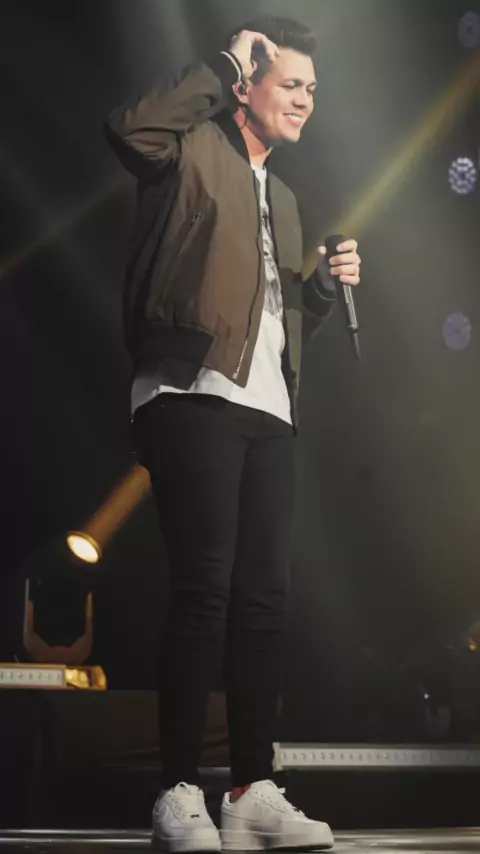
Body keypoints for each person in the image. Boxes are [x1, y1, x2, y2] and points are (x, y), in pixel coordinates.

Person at [106, 16, 361, 853]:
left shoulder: (284, 198)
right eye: (290, 83)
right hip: (191, 391)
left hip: (270, 408)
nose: (306, 100)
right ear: (246, 83)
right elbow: (129, 129)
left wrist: (317, 292)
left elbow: (279, 329)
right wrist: (224, 63)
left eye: (313, 89)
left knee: (264, 604)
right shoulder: (189, 148)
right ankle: (179, 788)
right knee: (203, 591)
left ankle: (253, 787)